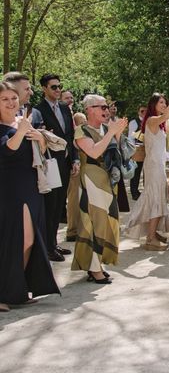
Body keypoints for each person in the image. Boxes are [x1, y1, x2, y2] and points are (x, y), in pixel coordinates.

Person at [0, 81, 60, 312]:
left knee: (30, 240)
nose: (11, 102)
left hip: (32, 186)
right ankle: (6, 291)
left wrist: (40, 139)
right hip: (10, 190)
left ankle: (17, 289)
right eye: (5, 99)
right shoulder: (13, 126)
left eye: (13, 98)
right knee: (15, 241)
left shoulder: (23, 122)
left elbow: (39, 153)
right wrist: (23, 130)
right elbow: (7, 149)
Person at [127, 88, 169, 251]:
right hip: (154, 165)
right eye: (161, 102)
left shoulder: (158, 123)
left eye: (165, 102)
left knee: (159, 198)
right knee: (155, 199)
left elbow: (159, 146)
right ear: (153, 105)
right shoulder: (152, 120)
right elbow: (166, 116)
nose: (164, 105)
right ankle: (150, 239)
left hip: (159, 164)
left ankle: (153, 233)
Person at [72, 94, 127, 283]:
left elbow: (119, 152)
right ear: (89, 110)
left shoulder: (106, 128)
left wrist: (117, 133)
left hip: (109, 179)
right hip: (92, 178)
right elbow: (94, 151)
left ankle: (98, 264)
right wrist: (112, 133)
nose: (106, 110)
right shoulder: (81, 131)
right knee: (95, 221)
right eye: (102, 107)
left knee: (108, 221)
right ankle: (94, 268)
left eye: (107, 107)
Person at [32, 74, 78, 262]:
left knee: (60, 205)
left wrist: (75, 159)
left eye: (59, 86)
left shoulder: (65, 109)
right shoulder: (38, 110)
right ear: (44, 88)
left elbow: (71, 135)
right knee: (51, 206)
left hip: (66, 163)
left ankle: (54, 243)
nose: (58, 90)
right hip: (50, 164)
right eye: (53, 87)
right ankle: (48, 247)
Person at [66, 112, 86, 242]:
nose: (84, 123)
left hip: (85, 168)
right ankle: (72, 230)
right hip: (75, 169)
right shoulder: (74, 134)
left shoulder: (84, 132)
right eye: (81, 121)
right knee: (73, 200)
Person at [127, 105, 147, 200]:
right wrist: (132, 150)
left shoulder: (149, 121)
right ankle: (134, 192)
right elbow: (130, 137)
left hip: (148, 149)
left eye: (146, 111)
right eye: (142, 111)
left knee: (147, 171)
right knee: (136, 172)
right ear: (138, 112)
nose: (144, 113)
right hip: (138, 149)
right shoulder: (134, 122)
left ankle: (146, 190)